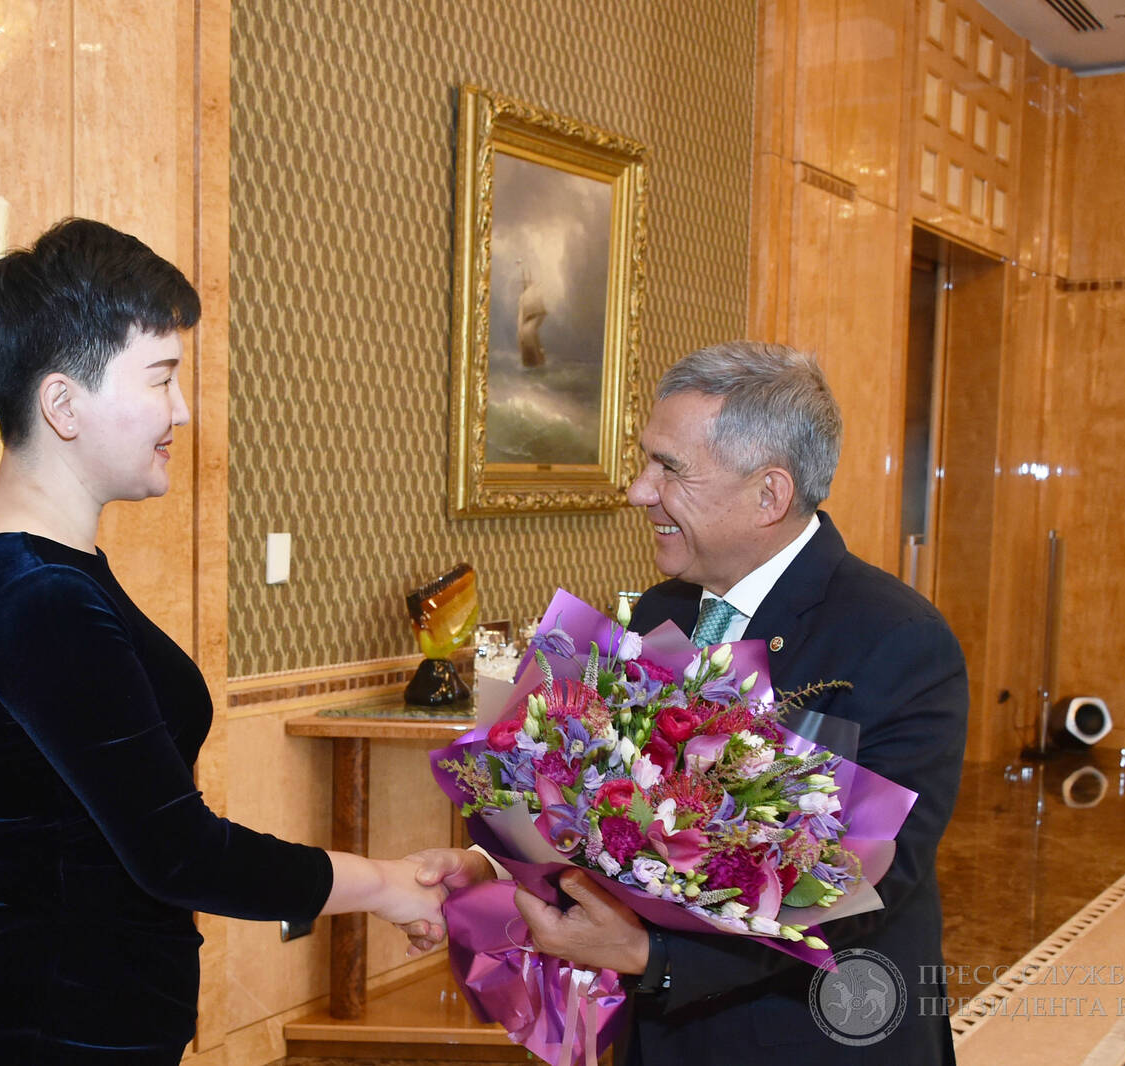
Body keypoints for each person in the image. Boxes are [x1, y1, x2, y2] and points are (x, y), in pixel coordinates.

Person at [0, 218, 444, 1065]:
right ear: (63, 405)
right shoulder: (36, 595)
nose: (182, 411)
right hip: (36, 1034)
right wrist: (385, 885)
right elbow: (179, 854)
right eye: (160, 378)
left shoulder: (30, 568)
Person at [413, 341, 968, 1063]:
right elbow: (601, 805)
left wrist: (658, 956)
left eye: (669, 468)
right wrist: (491, 865)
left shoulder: (895, 638)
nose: (639, 491)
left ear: (769, 494)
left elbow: (871, 882)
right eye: (647, 463)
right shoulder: (659, 611)